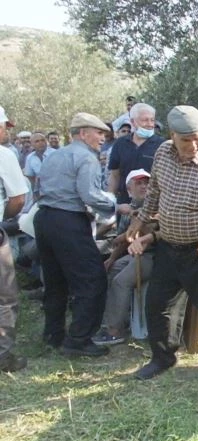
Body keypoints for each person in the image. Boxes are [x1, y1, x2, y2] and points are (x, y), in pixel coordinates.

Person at [126, 105, 198, 382]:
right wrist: (139, 221)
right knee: (158, 305)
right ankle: (162, 358)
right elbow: (154, 192)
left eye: (197, 138)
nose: (193, 145)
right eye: (186, 139)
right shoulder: (162, 154)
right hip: (169, 247)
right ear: (172, 135)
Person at [35, 113, 118, 357]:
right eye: (99, 132)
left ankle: (53, 335)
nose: (103, 137)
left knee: (55, 280)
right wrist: (115, 203)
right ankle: (79, 340)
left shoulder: (55, 155)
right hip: (68, 220)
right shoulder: (86, 157)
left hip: (45, 219)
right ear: (83, 133)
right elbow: (90, 195)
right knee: (92, 278)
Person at [93, 169, 155, 345]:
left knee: (121, 281)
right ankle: (115, 321)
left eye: (146, 182)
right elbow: (123, 240)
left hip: (154, 255)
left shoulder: (155, 205)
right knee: (113, 270)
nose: (144, 186)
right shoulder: (131, 207)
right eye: (139, 183)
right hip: (136, 253)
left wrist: (127, 235)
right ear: (129, 189)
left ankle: (115, 331)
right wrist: (111, 259)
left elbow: (131, 237)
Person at [0, 105, 28, 372]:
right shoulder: (4, 155)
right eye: (4, 126)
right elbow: (18, 198)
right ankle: (3, 355)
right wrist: (5, 219)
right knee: (5, 297)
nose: (7, 132)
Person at [107, 103, 165, 205]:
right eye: (145, 120)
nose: (150, 124)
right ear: (133, 122)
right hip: (125, 204)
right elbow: (115, 176)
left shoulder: (162, 145)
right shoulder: (120, 144)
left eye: (152, 120)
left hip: (153, 205)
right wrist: (110, 201)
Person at [23, 132, 54, 200]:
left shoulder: (55, 154)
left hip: (56, 191)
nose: (41, 143)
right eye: (37, 141)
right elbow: (30, 178)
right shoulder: (30, 158)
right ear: (32, 144)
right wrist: (34, 194)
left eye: (42, 140)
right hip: (40, 193)